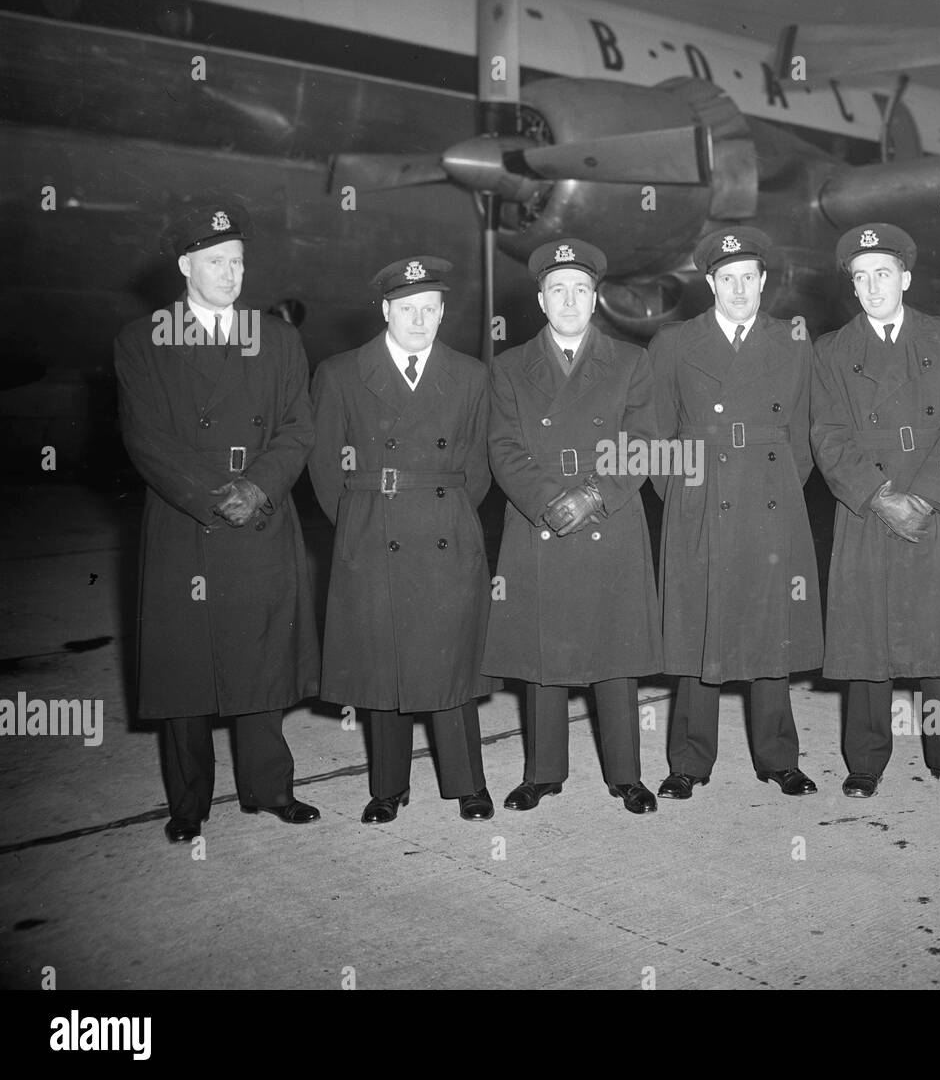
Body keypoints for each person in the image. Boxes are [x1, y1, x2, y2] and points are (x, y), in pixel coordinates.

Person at [114, 203, 320, 843]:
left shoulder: (278, 338)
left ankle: (271, 789)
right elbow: (146, 440)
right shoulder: (142, 340)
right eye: (215, 262)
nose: (230, 274)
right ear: (184, 266)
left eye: (236, 261)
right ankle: (188, 803)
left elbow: (297, 428)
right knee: (187, 668)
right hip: (187, 521)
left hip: (259, 512)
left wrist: (256, 488)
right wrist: (213, 496)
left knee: (260, 659)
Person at [811, 223, 940, 799]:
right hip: (869, 506)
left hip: (935, 505)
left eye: (883, 274)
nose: (872, 287)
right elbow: (828, 434)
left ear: (906, 278)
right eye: (861, 277)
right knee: (867, 644)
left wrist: (921, 496)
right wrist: (879, 497)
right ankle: (864, 761)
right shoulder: (832, 350)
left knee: (937, 641)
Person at [309, 256, 495, 823]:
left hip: (446, 530)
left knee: (451, 664)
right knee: (381, 665)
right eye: (407, 309)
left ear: (442, 313)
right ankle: (387, 787)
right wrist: (363, 527)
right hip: (373, 530)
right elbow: (324, 470)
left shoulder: (470, 375)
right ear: (386, 310)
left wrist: (452, 517)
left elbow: (478, 467)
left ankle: (467, 783)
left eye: (430, 309)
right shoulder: (341, 373)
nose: (419, 320)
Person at [483, 238, 662, 815]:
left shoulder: (634, 361)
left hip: (607, 511)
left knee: (615, 655)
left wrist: (591, 495)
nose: (569, 299)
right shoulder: (508, 367)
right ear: (540, 299)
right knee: (543, 656)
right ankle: (543, 773)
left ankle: (627, 775)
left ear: (596, 299)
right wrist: (547, 501)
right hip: (539, 517)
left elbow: (644, 443)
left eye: (580, 290)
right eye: (558, 289)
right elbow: (504, 448)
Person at [648, 227, 823, 800]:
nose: (739, 288)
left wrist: (775, 482)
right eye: (728, 278)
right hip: (701, 496)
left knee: (771, 631)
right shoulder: (674, 341)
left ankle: (779, 757)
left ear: (764, 281)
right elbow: (655, 433)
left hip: (770, 496)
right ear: (710, 283)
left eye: (749, 277)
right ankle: (688, 761)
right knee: (701, 629)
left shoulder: (794, 339)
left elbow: (801, 433)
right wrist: (683, 492)